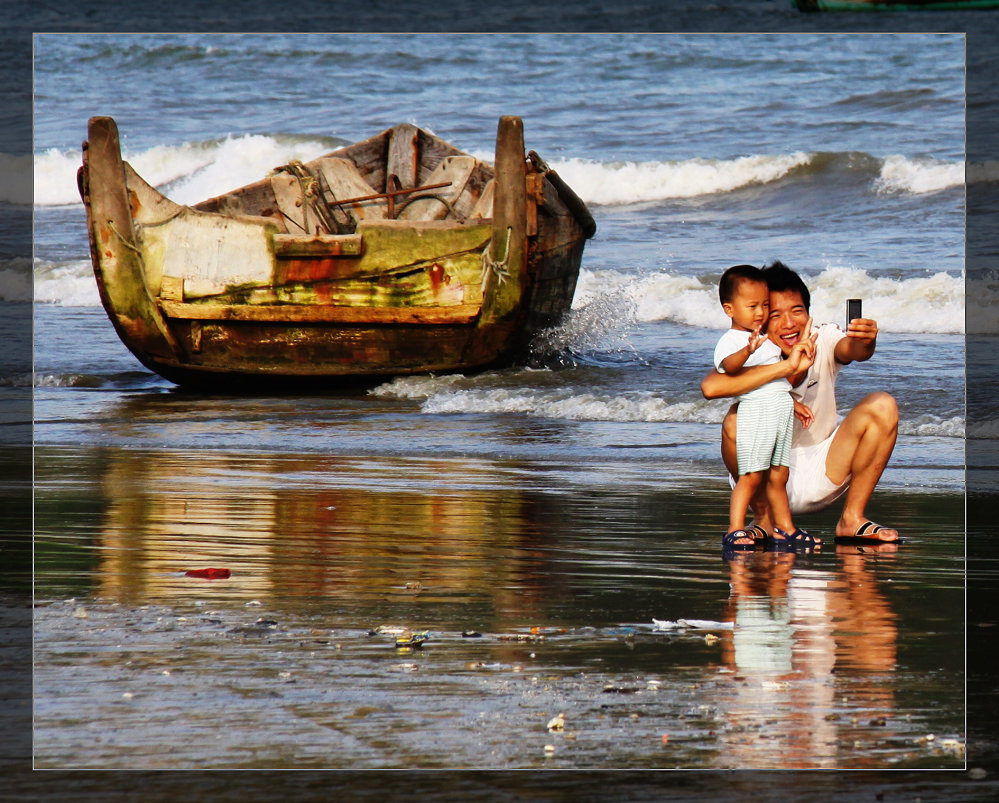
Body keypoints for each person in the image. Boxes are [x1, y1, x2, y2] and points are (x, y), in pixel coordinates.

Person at [701, 261, 899, 544]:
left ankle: (851, 519)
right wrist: (785, 369)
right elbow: (710, 386)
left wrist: (865, 340)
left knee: (883, 404)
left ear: (808, 314)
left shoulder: (822, 337)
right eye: (776, 314)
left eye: (797, 311)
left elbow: (853, 350)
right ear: (760, 317)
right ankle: (764, 520)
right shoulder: (751, 352)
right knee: (734, 420)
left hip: (825, 467)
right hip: (761, 477)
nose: (789, 324)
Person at [713, 265, 816, 551]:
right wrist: (747, 349)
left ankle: (785, 529)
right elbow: (728, 370)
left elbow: (771, 379)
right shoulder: (735, 340)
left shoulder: (766, 341)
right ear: (730, 309)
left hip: (778, 412)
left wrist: (792, 401)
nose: (759, 313)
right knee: (751, 476)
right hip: (757, 415)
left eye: (764, 306)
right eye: (753, 306)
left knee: (779, 476)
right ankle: (735, 529)